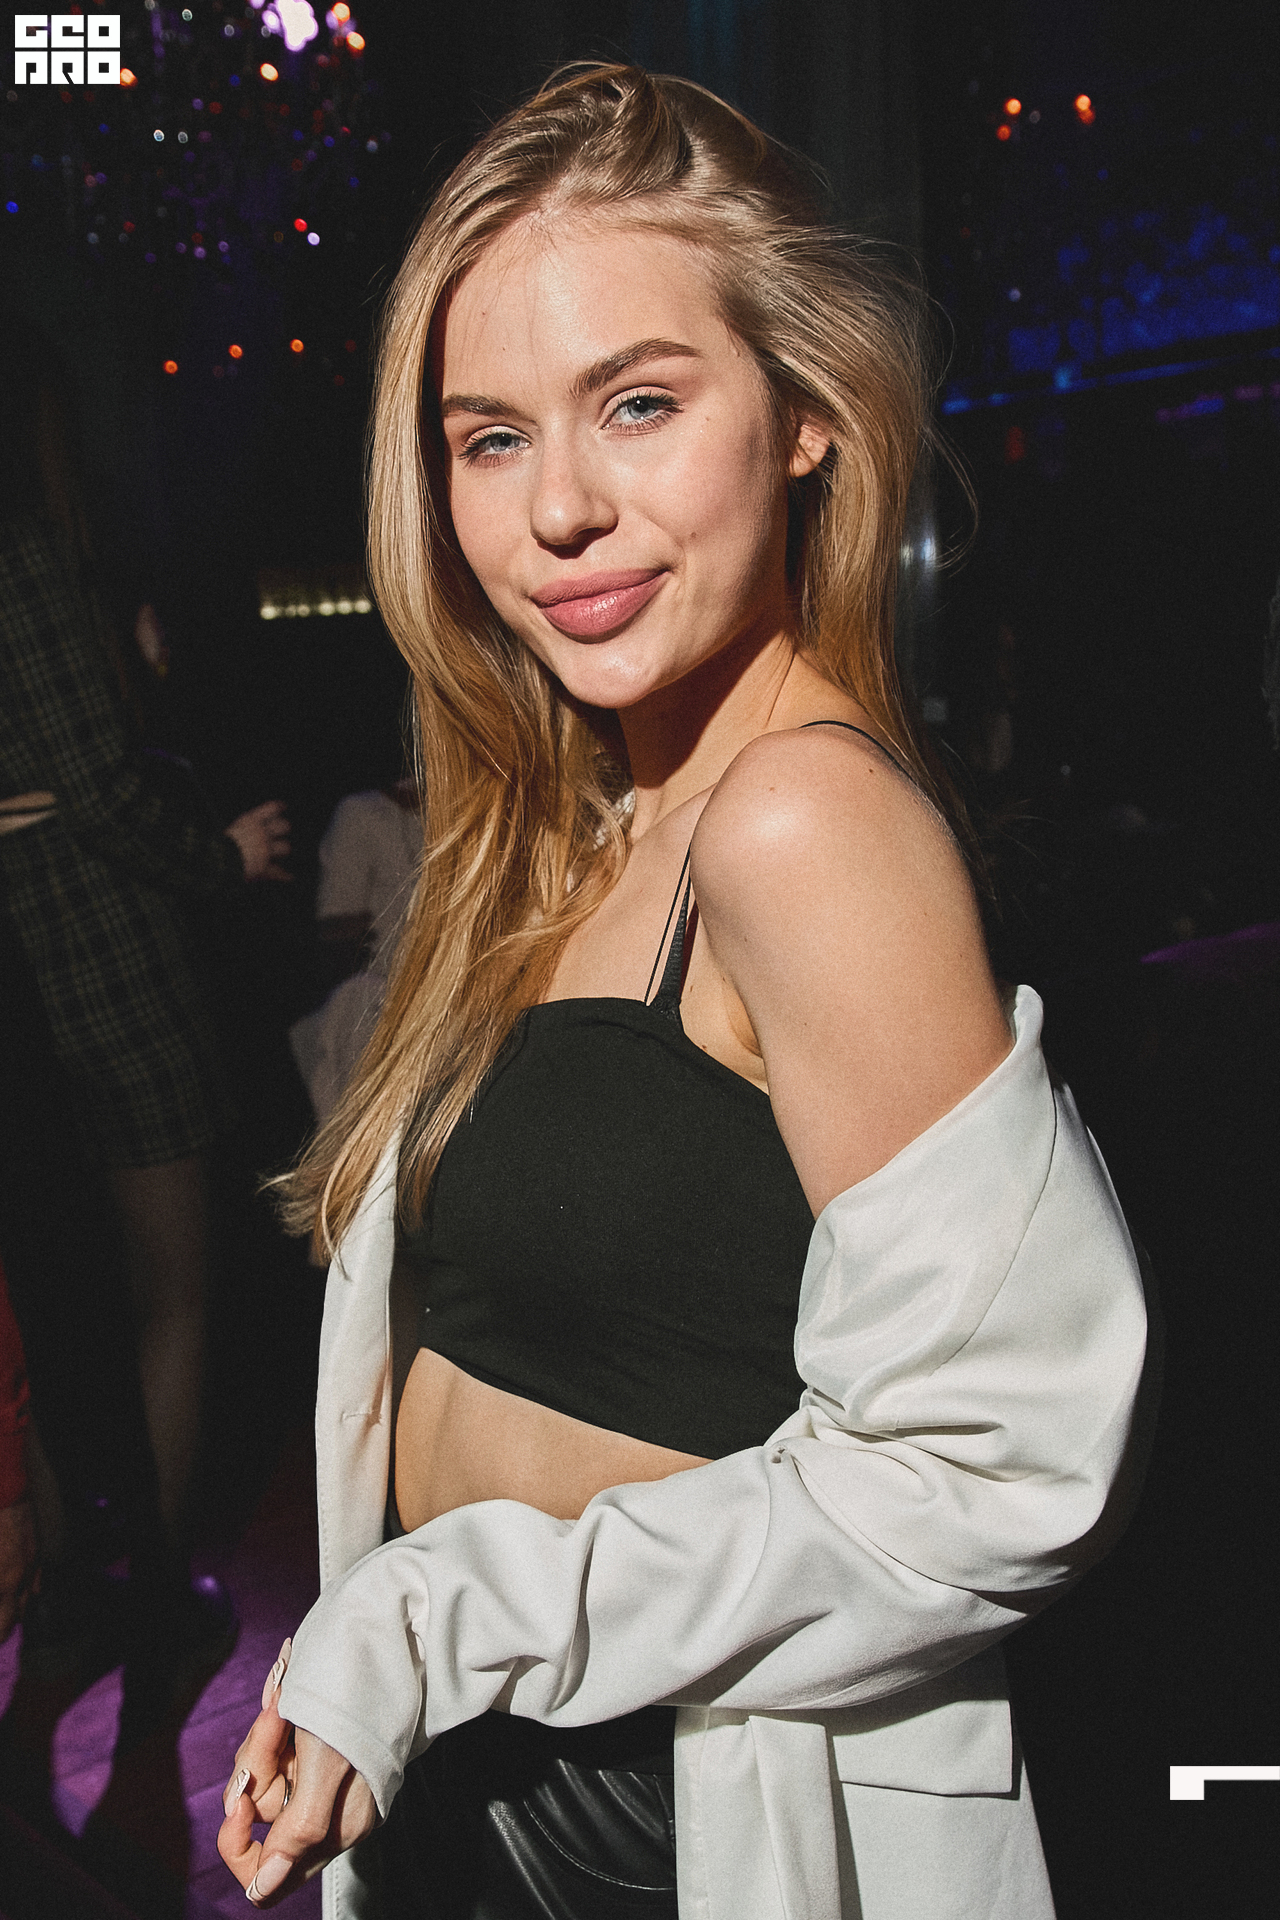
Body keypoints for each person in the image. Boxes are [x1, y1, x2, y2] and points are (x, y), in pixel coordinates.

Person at [217, 66, 1151, 1920]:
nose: (559, 508)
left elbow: (1003, 1467)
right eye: (490, 438)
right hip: (475, 1763)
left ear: (804, 417)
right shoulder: (569, 827)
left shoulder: (804, 824)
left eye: (638, 404)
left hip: (657, 1811)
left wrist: (435, 1617)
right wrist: (384, 1653)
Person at [0, 324, 292, 1675]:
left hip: (34, 963)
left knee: (60, 1295)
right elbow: (106, 792)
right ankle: (160, 1586)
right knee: (172, 1291)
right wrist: (224, 856)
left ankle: (66, 1581)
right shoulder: (28, 556)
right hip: (100, 954)